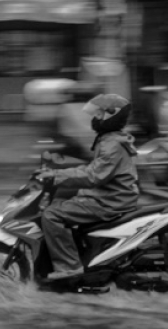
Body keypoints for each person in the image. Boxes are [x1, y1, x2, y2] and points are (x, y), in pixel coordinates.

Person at [37, 93, 140, 280]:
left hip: (109, 201)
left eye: (99, 115)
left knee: (51, 215)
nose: (95, 119)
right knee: (62, 201)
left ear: (111, 116)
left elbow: (93, 176)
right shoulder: (111, 139)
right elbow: (92, 169)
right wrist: (57, 172)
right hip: (111, 196)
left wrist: (56, 177)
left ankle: (70, 268)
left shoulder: (111, 145)